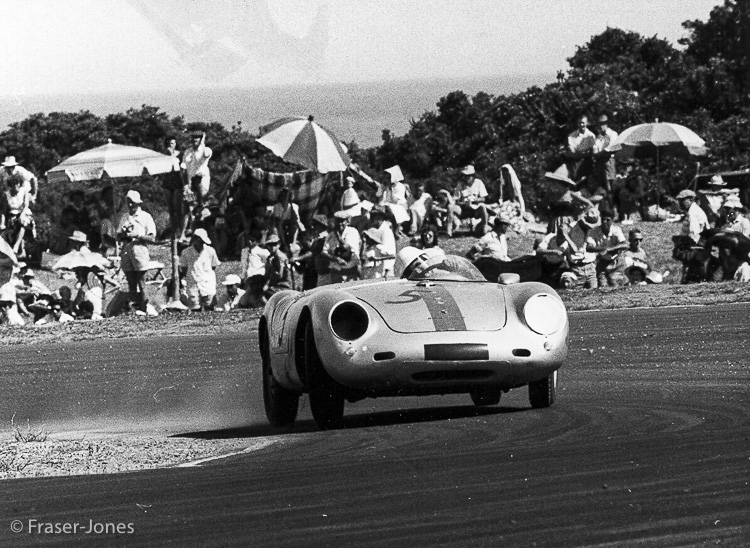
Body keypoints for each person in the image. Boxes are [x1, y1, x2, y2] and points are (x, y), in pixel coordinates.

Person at [118, 190, 157, 314]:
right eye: (128, 202)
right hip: (126, 250)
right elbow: (118, 236)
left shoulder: (145, 217)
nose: (130, 205)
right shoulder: (125, 217)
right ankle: (134, 310)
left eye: (132, 203)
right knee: (131, 283)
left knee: (141, 281)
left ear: (138, 203)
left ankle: (145, 308)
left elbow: (151, 238)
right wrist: (123, 234)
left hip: (139, 250)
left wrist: (138, 235)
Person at [180, 131, 212, 239]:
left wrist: (202, 144)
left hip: (202, 180)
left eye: (197, 138)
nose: (195, 140)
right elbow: (183, 167)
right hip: (190, 182)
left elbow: (206, 154)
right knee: (188, 206)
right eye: (193, 138)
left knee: (201, 206)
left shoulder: (206, 150)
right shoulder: (188, 151)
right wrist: (185, 185)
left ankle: (200, 231)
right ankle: (185, 232)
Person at [557, 208, 600, 289]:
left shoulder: (594, 231)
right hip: (577, 268)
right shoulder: (571, 228)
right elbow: (573, 250)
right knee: (576, 293)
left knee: (595, 293)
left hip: (590, 266)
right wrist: (565, 235)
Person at [179, 228, 220, 312]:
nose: (201, 244)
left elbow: (214, 266)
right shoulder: (186, 252)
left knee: (209, 306)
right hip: (193, 283)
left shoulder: (210, 251)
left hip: (208, 282)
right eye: (199, 241)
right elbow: (183, 268)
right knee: (195, 307)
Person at [589, 208, 628, 287]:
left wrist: (609, 249)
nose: (604, 222)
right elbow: (589, 246)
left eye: (607, 220)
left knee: (615, 283)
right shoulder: (595, 231)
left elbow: (625, 244)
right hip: (601, 262)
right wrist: (601, 250)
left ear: (612, 220)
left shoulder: (616, 230)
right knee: (602, 285)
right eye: (602, 219)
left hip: (616, 261)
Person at [322, 211, 361, 283]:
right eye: (337, 221)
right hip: (336, 270)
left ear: (347, 221)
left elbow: (347, 247)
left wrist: (338, 236)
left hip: (350, 270)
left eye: (342, 221)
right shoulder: (331, 235)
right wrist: (336, 259)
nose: (340, 224)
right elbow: (324, 252)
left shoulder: (352, 231)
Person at [1, 174, 34, 256]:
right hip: (11, 215)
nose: (17, 185)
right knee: (7, 228)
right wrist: (2, 223)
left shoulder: (24, 192)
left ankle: (16, 246)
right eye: (15, 183)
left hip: (23, 213)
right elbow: (3, 211)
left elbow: (26, 206)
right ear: (11, 185)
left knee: (23, 223)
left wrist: (22, 215)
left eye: (19, 183)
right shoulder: (6, 195)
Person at [453, 165, 489, 237]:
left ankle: (485, 228)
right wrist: (463, 203)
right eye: (465, 176)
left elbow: (483, 198)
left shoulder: (478, 182)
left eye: (468, 176)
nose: (466, 178)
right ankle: (449, 231)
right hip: (464, 208)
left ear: (473, 176)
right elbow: (456, 200)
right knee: (450, 207)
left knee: (483, 207)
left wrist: (476, 200)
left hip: (475, 207)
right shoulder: (460, 184)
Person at [377, 165, 410, 232]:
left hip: (397, 206)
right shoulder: (385, 185)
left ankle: (395, 228)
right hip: (386, 204)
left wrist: (390, 189)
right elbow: (379, 197)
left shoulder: (400, 186)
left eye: (389, 177)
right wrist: (381, 189)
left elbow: (395, 201)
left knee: (389, 209)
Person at [271, 188, 302, 255]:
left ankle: (293, 243)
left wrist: (290, 205)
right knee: (279, 226)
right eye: (283, 196)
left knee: (295, 226)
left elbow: (295, 219)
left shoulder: (295, 206)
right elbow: (278, 219)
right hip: (281, 224)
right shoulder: (276, 206)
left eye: (286, 196)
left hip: (290, 224)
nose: (285, 198)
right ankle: (284, 245)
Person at [368, 206, 397, 279]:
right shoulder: (376, 230)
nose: (372, 218)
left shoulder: (386, 231)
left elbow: (390, 253)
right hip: (378, 270)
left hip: (386, 272)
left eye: (374, 216)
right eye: (371, 215)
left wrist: (376, 245)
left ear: (380, 217)